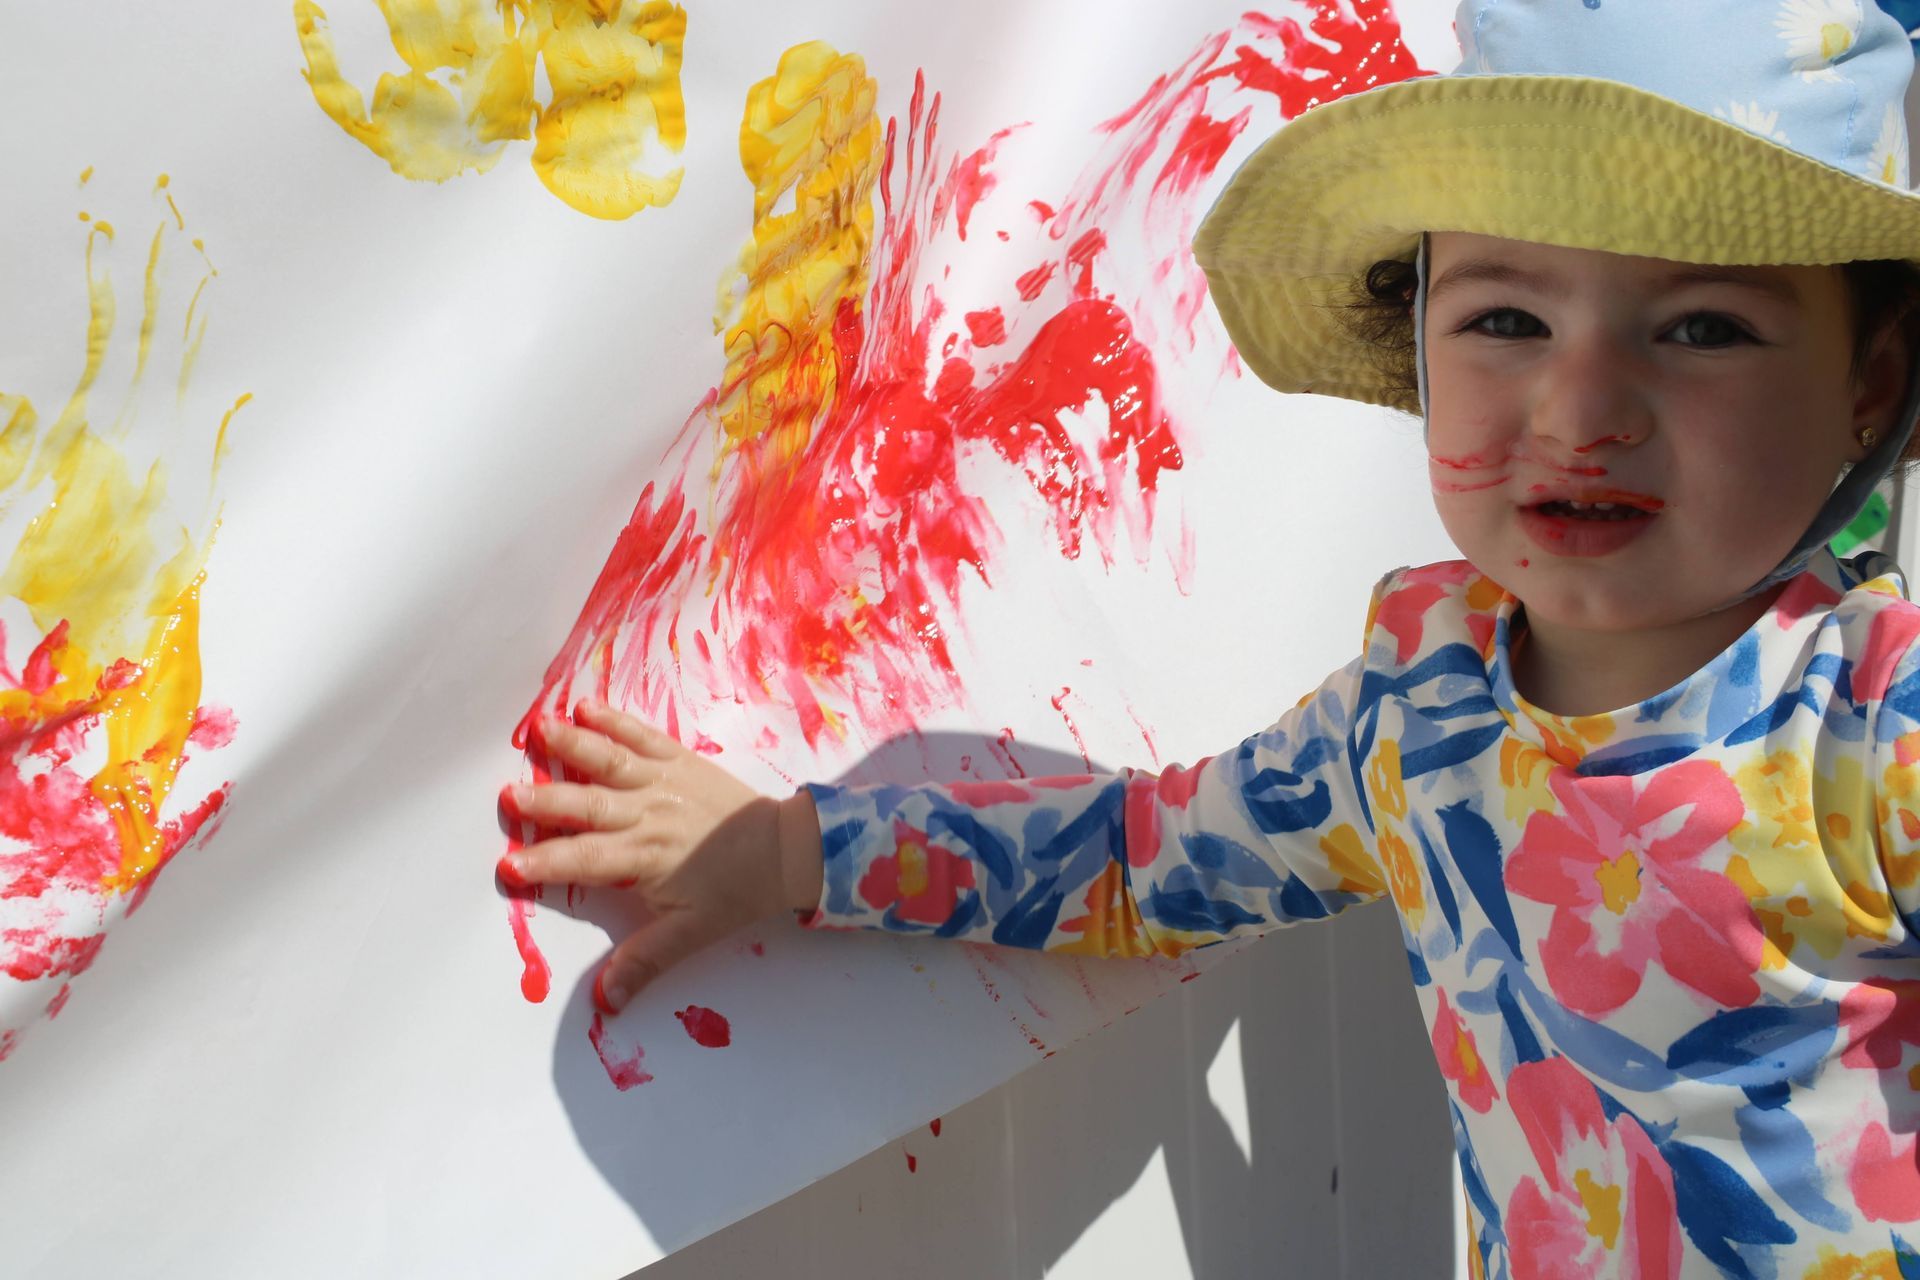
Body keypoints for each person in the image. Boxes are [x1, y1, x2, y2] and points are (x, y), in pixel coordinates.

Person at [497, 1, 1920, 1272]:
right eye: (1506, 318)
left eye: (1705, 329)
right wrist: (784, 850)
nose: (1580, 406)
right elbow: (1140, 862)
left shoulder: (1877, 725)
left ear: (1871, 384)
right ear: (1419, 343)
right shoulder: (1415, 704)